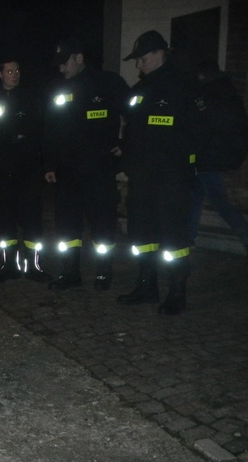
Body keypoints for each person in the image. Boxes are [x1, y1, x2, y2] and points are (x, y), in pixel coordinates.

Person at [117, 30, 202, 315]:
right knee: (142, 233)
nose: (138, 65)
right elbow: (131, 128)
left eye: (142, 59)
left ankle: (177, 292)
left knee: (173, 237)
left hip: (171, 177)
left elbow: (194, 133)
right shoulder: (141, 89)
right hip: (142, 176)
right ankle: (147, 286)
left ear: (159, 54)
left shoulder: (182, 85)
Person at [43, 37, 128, 292]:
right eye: (58, 64)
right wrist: (49, 164)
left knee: (102, 223)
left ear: (79, 58)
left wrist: (126, 144)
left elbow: (136, 114)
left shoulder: (109, 83)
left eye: (65, 63)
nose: (61, 69)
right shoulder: (59, 89)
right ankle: (70, 272)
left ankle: (103, 272)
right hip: (68, 171)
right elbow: (51, 129)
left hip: (99, 170)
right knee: (67, 225)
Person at [0, 58, 50, 283]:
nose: (14, 74)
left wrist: (15, 137)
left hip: (28, 170)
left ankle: (33, 266)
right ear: (0, 74)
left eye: (17, 70)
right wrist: (11, 136)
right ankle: (9, 265)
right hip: (1, 171)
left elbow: (37, 130)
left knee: (32, 219)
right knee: (5, 219)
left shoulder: (30, 98)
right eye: (9, 71)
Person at [188, 59, 248, 252]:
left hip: (208, 156)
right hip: (215, 155)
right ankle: (188, 238)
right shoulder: (226, 91)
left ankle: (245, 235)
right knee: (196, 197)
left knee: (218, 201)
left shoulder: (208, 94)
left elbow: (202, 126)